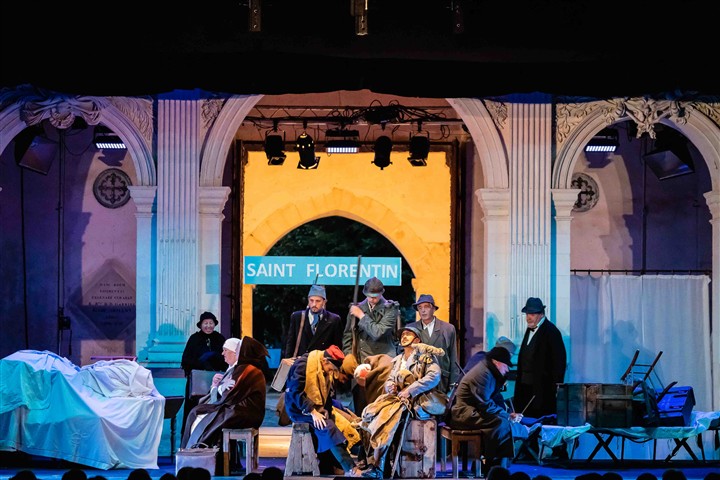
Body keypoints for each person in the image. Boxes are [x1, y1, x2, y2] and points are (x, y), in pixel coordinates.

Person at [357, 325, 445, 478]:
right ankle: (373, 463)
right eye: (403, 334)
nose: (404, 336)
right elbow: (390, 379)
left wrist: (410, 390)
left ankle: (378, 467)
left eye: (408, 334)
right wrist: (390, 386)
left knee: (386, 420)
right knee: (369, 415)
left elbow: (434, 376)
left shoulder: (425, 356)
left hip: (415, 401)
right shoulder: (398, 360)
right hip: (396, 399)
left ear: (417, 340)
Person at [181, 336, 268, 450]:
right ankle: (195, 450)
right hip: (238, 410)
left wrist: (220, 388)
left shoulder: (247, 370)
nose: (223, 353)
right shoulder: (244, 369)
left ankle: (200, 451)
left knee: (206, 417)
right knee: (197, 412)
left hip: (244, 413)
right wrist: (219, 387)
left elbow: (229, 395)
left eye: (238, 350)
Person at [284, 345, 359, 476]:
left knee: (337, 422)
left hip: (314, 408)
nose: (331, 372)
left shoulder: (324, 367)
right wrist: (312, 411)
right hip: (298, 409)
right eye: (331, 368)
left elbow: (326, 395)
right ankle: (350, 468)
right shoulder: (304, 365)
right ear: (325, 361)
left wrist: (325, 410)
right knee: (327, 426)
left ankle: (329, 466)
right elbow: (294, 392)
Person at [449, 346, 521, 475]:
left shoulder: (488, 371)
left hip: (473, 411)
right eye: (506, 366)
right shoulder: (483, 374)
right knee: (500, 423)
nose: (507, 370)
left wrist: (507, 414)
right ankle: (492, 464)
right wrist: (506, 415)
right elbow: (485, 404)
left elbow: (490, 401)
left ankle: (495, 464)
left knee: (502, 422)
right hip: (463, 414)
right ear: (496, 362)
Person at [342, 277, 400, 425]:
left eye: (376, 296)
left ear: (382, 293)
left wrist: (361, 316)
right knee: (361, 406)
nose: (373, 300)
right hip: (362, 362)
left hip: (383, 364)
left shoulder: (391, 308)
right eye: (370, 296)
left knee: (381, 407)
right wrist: (349, 355)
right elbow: (348, 335)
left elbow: (378, 332)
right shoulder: (356, 308)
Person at [513, 297, 567, 419]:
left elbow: (559, 363)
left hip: (542, 390)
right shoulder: (530, 329)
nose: (528, 317)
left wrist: (553, 389)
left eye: (532, 314)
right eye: (527, 314)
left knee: (541, 420)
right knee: (525, 419)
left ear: (541, 314)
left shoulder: (551, 332)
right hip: (525, 387)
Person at [180, 311, 227, 433]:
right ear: (201, 325)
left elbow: (226, 360)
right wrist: (201, 361)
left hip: (216, 381)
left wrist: (214, 356)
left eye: (211, 323)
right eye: (205, 323)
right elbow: (186, 361)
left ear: (214, 324)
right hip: (197, 382)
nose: (208, 326)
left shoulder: (220, 338)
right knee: (194, 409)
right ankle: (191, 436)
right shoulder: (194, 339)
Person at [404, 293, 460, 393]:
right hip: (417, 379)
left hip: (441, 378)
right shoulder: (411, 329)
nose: (423, 310)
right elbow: (405, 355)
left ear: (433, 309)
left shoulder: (447, 328)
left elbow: (453, 356)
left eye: (426, 306)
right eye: (420, 307)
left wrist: (453, 382)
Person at [283, 284, 343, 359]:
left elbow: (337, 348)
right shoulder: (297, 317)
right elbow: (290, 343)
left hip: (322, 362)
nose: (314, 304)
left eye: (318, 301)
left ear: (324, 302)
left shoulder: (333, 320)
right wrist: (288, 360)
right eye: (311, 300)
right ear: (308, 300)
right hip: (301, 362)